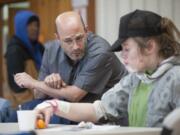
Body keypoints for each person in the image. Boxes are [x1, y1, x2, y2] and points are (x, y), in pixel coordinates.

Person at [29, 9, 180, 127]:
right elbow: (99, 109)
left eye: (126, 49)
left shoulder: (176, 79)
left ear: (150, 47)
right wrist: (53, 105)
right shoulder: (135, 80)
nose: (123, 57)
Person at [11, 11, 127, 124]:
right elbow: (38, 95)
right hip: (70, 111)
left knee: (31, 113)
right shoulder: (51, 50)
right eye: (68, 41)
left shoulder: (100, 51)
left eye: (79, 38)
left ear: (86, 31)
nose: (75, 46)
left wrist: (34, 83)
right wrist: (48, 82)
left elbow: (74, 96)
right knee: (25, 111)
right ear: (57, 38)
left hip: (106, 115)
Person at [5, 10, 44, 107]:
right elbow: (17, 88)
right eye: (30, 25)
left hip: (41, 99)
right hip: (25, 105)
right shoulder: (14, 50)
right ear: (21, 27)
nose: (34, 28)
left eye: (36, 25)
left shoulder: (39, 47)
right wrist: (33, 106)